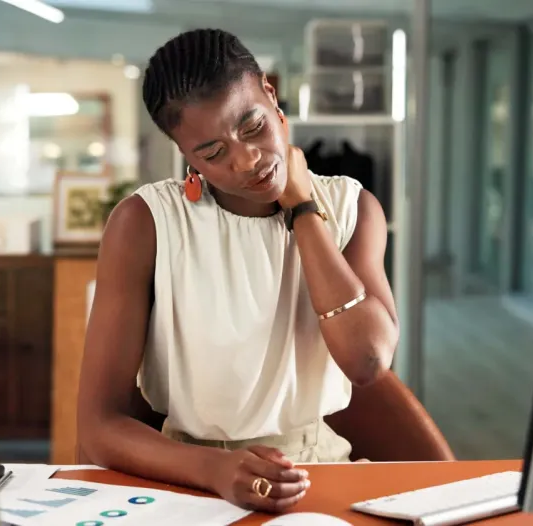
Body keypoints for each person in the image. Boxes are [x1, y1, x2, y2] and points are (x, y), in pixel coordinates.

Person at [77, 28, 398, 513]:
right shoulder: (145, 223)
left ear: (269, 93)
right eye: (212, 153)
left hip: (318, 470)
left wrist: (303, 208)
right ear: (183, 152)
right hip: (182, 474)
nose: (247, 160)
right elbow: (98, 424)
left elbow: (367, 361)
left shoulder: (353, 207)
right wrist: (216, 470)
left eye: (252, 128)